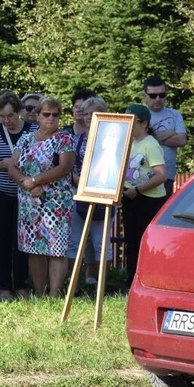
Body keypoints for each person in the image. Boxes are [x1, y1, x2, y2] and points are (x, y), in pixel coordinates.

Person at [7, 97, 75, 297]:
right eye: (46, 114)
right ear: (37, 116)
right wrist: (27, 184)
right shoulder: (26, 138)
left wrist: (35, 180)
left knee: (56, 249)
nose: (51, 118)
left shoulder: (65, 139)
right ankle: (39, 294)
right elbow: (12, 166)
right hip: (30, 201)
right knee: (34, 249)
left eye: (55, 115)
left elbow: (65, 167)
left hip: (57, 202)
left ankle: (53, 295)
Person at [0, 91, 37, 300]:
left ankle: (21, 285)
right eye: (2, 116)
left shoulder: (34, 131)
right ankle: (3, 286)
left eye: (10, 115)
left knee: (22, 240)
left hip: (26, 194)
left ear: (19, 112)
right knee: (1, 239)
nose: (6, 120)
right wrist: (0, 164)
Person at [66, 97, 113, 286]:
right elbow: (70, 165)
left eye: (92, 113)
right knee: (75, 242)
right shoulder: (78, 139)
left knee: (101, 244)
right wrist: (75, 179)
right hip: (78, 195)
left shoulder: (111, 141)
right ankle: (73, 283)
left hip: (102, 195)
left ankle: (102, 286)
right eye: (85, 114)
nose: (88, 117)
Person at [121, 104, 167, 290]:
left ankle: (147, 280)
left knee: (144, 242)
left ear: (144, 123)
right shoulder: (129, 142)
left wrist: (138, 190)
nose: (129, 126)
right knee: (131, 242)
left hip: (149, 200)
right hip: (131, 197)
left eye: (132, 122)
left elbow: (161, 174)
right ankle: (132, 280)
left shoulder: (150, 144)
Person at [142, 76, 186, 198]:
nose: (157, 99)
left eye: (162, 95)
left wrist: (150, 136)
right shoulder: (139, 114)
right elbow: (137, 139)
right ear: (144, 96)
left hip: (166, 176)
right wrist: (170, 132)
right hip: (141, 175)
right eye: (153, 95)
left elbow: (182, 141)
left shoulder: (175, 115)